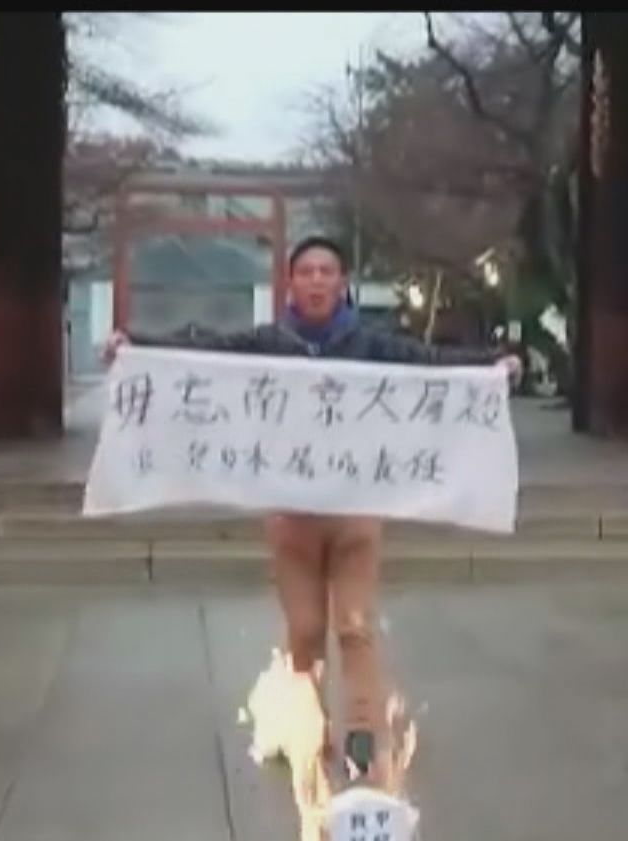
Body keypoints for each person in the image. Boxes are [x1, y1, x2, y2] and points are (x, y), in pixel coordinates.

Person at [102, 236, 520, 789]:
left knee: (354, 625)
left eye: (327, 271)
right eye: (307, 272)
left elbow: (433, 364)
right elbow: (204, 352)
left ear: (342, 282)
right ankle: (308, 731)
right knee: (304, 630)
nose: (318, 281)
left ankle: (366, 737)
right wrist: (136, 346)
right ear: (291, 283)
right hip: (291, 514)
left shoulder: (370, 345)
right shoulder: (270, 342)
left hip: (356, 511)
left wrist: (494, 366)